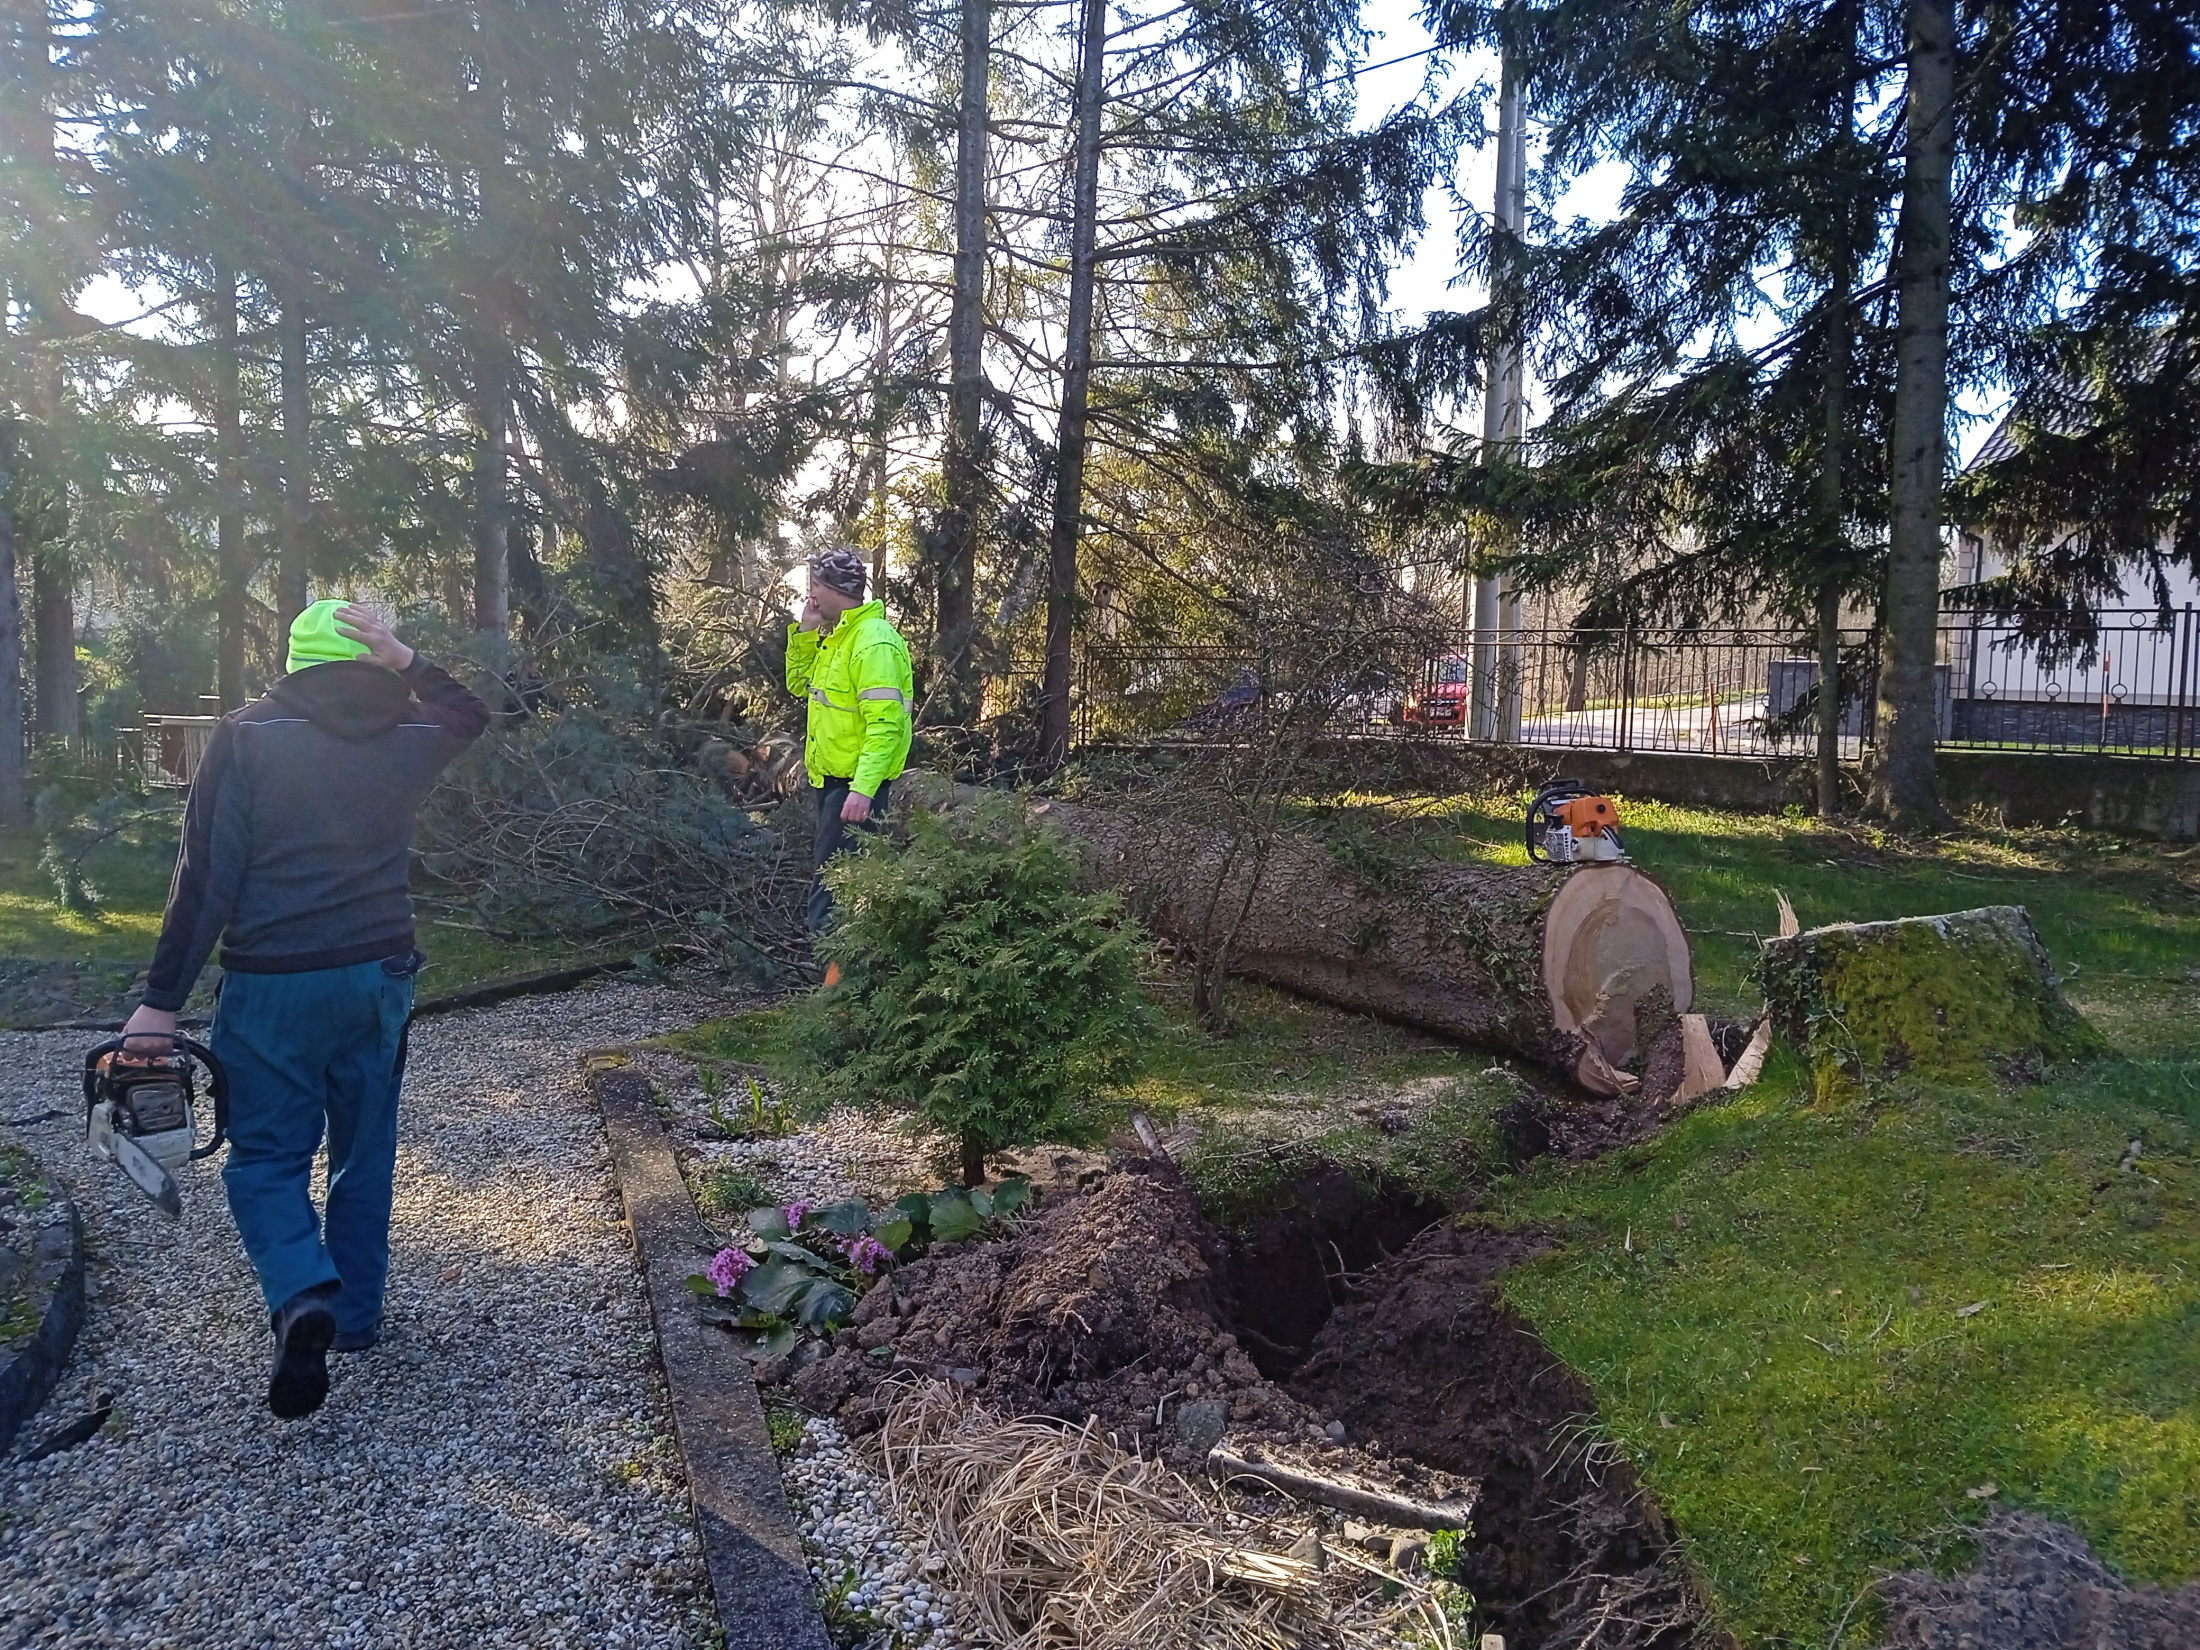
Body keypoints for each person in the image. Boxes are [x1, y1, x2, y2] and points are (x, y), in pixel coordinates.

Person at [120, 600, 488, 1419]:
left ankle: (300, 1292)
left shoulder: (249, 735)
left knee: (265, 1158)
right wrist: (407, 658)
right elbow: (470, 713)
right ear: (369, 659)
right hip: (378, 972)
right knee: (365, 1146)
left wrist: (160, 1003)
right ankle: (354, 1317)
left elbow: (205, 876)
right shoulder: (411, 732)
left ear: (293, 661)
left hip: (274, 982)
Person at [785, 547, 914, 933]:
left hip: (854, 790)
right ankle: (839, 969)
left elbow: (886, 726)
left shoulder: (873, 643)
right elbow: (798, 685)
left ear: (834, 589)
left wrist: (862, 790)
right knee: (836, 887)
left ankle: (835, 972)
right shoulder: (839, 637)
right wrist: (806, 632)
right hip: (834, 786)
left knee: (835, 897)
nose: (811, 595)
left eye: (815, 585)